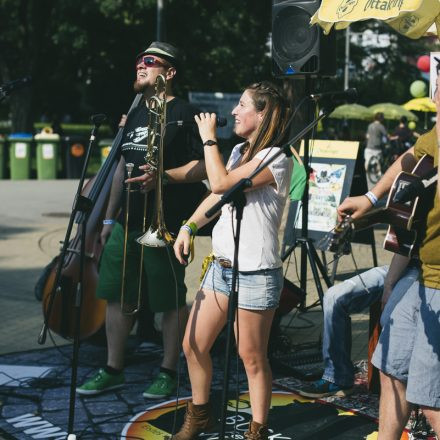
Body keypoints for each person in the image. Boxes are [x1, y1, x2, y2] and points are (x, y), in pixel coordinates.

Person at [76, 42, 207, 399]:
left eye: (151, 61)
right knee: (118, 296)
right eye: (139, 60)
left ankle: (168, 368)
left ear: (170, 72)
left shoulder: (186, 112)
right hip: (125, 222)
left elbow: (206, 166)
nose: (141, 65)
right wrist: (106, 221)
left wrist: (163, 176)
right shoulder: (133, 113)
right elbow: (120, 167)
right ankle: (113, 367)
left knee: (168, 300)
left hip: (166, 222)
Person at [171, 81, 293, 440]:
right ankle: (200, 414)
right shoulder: (240, 150)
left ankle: (257, 429)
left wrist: (208, 138)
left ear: (262, 114)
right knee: (192, 344)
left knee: (251, 356)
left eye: (242, 105)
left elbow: (221, 183)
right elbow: (215, 197)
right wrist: (189, 226)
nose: (235, 112)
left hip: (256, 273)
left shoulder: (276, 159)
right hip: (221, 267)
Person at [337, 75, 440, 439]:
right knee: (391, 369)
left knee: (431, 398)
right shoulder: (435, 137)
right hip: (421, 272)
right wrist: (371, 198)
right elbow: (410, 157)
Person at [298, 254, 419, 398]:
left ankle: (407, 384)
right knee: (334, 296)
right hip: (399, 266)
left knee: (389, 317)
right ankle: (337, 377)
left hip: (427, 274)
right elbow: (402, 247)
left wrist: (389, 285)